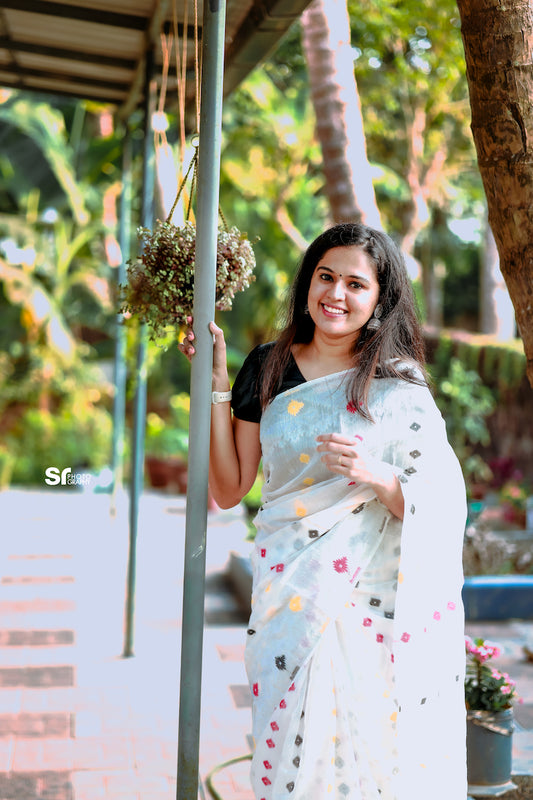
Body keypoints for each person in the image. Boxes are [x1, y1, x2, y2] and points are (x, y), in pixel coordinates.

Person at [180, 223, 467, 800]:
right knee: (291, 749)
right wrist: (213, 381)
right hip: (290, 594)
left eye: (356, 284)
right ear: (308, 282)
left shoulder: (398, 385)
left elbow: (443, 500)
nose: (336, 293)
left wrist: (377, 474)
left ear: (379, 299)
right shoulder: (267, 365)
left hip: (376, 601)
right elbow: (231, 486)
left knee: (377, 755)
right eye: (326, 276)